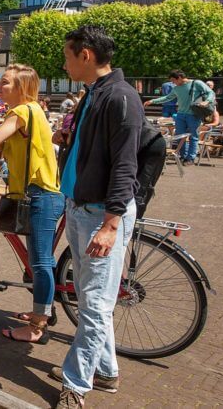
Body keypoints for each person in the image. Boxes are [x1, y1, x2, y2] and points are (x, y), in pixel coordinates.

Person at [50, 25, 143, 408]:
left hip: (99, 213)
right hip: (80, 206)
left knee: (95, 305)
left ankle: (76, 385)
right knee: (94, 301)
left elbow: (126, 166)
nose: (64, 62)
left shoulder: (121, 98)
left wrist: (111, 223)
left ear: (85, 54)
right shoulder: (94, 95)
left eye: (67, 55)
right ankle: (104, 372)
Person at [0, 64, 63, 345]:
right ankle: (40, 310)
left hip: (39, 194)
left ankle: (38, 327)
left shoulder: (20, 112)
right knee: (38, 261)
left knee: (40, 262)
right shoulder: (35, 110)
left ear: (20, 88)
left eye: (5, 82)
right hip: (42, 192)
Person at [144, 70, 214, 165]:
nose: (173, 83)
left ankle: (190, 158)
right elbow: (167, 98)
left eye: (173, 80)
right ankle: (182, 156)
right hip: (180, 114)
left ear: (180, 77)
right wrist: (153, 101)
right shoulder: (176, 88)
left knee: (193, 136)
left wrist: (207, 101)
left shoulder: (196, 83)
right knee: (180, 136)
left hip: (194, 114)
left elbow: (211, 92)